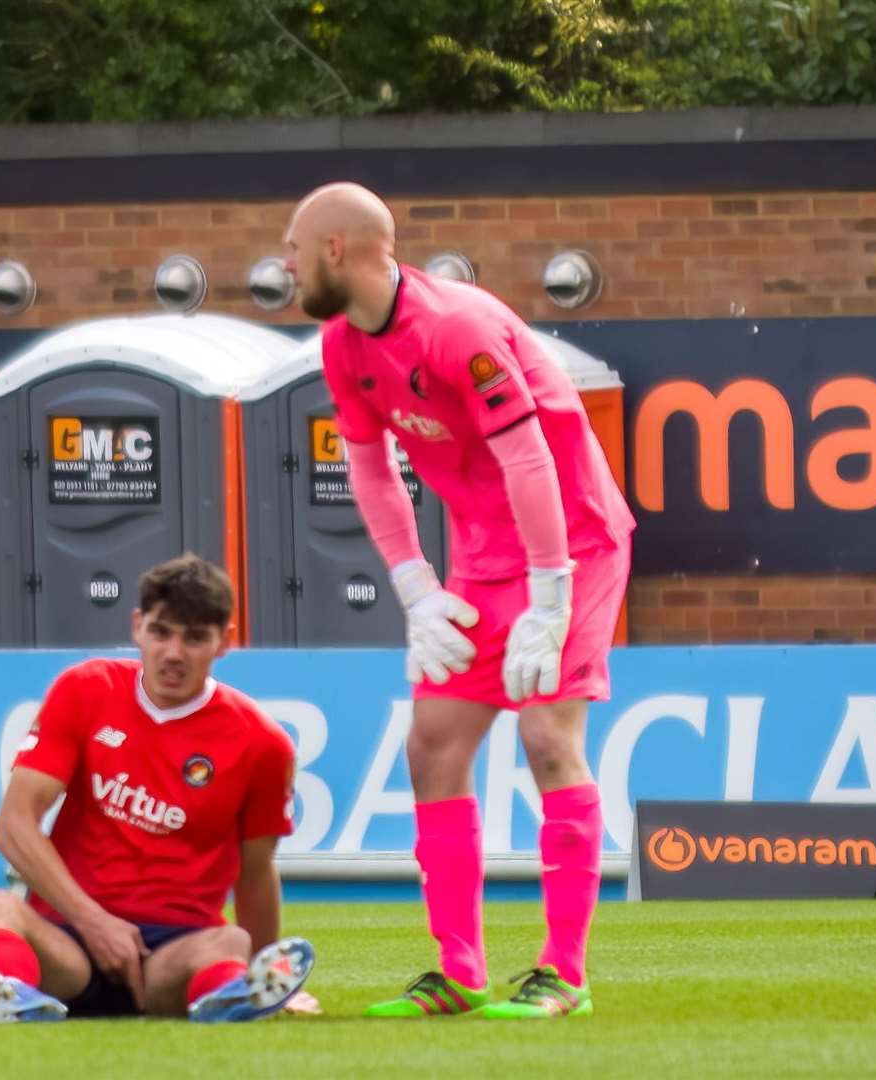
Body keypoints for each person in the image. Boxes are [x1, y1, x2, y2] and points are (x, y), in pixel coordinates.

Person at [282, 183, 634, 1020]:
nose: (284, 264)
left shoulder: (457, 329)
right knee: (432, 744)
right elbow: (369, 466)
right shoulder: (341, 345)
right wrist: (413, 586)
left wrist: (550, 599)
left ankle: (563, 975)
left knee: (549, 735)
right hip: (483, 552)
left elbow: (530, 463)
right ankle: (459, 971)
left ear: (336, 249)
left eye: (293, 248)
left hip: (572, 542)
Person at [0, 554, 315, 1023]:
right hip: (70, 943)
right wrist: (93, 921)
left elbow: (256, 870)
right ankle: (9, 995)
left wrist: (268, 974)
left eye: (195, 638)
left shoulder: (262, 743)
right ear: (137, 627)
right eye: (162, 632)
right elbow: (14, 827)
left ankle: (237, 995)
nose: (173, 653)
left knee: (231, 943)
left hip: (176, 953)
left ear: (224, 642)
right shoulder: (85, 690)